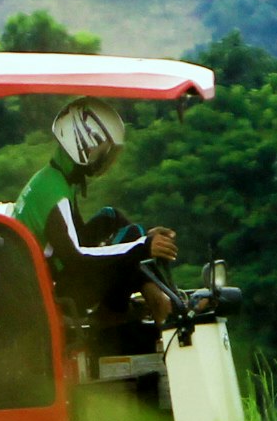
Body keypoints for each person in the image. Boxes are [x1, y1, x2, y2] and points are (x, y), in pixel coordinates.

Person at [15, 98, 177, 323]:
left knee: (113, 218)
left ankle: (156, 295)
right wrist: (142, 246)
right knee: (134, 239)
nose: (105, 158)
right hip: (57, 294)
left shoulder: (54, 179)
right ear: (83, 144)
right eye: (103, 150)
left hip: (56, 275)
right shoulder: (55, 194)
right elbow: (76, 256)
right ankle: (127, 310)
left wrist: (144, 240)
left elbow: (76, 240)